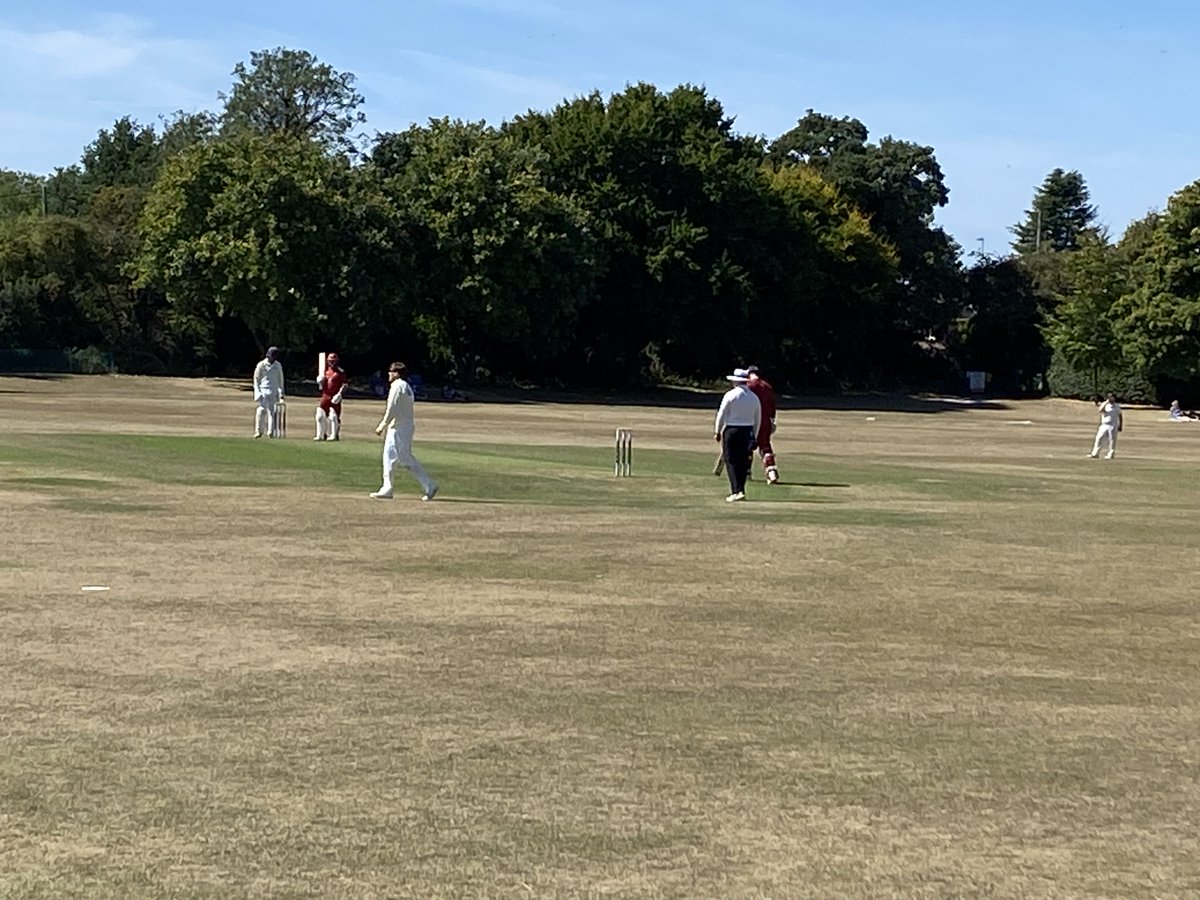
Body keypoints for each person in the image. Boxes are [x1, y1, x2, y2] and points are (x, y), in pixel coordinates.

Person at [370, 361, 439, 501]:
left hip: (400, 427)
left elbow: (392, 408)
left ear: (397, 373)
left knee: (405, 458)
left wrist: (382, 425)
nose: (389, 374)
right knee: (388, 456)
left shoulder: (398, 386)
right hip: (400, 426)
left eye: (391, 371)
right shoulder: (405, 386)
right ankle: (387, 487)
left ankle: (429, 484)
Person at [713, 367, 762, 502]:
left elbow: (721, 414)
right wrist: (755, 435)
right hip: (747, 431)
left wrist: (717, 431)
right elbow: (758, 419)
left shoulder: (730, 395)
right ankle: (741, 489)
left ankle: (736, 491)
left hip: (732, 431)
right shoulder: (754, 398)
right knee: (743, 462)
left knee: (731, 461)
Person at [745, 365, 780, 484]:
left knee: (747, 446)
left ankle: (746, 472)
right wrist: (772, 419)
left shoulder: (748, 386)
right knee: (765, 447)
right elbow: (772, 406)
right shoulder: (767, 386)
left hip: (751, 420)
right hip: (765, 421)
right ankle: (771, 472)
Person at [252, 346, 285, 438]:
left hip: (273, 391)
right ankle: (259, 431)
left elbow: (280, 379)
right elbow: (256, 379)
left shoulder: (278, 365)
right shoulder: (261, 365)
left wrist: (281, 393)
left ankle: (271, 431)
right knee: (261, 411)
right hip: (263, 391)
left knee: (272, 412)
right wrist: (257, 392)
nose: (273, 359)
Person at [314, 351, 348, 441]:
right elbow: (321, 386)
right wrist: (320, 381)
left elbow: (345, 385)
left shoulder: (340, 372)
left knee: (333, 416)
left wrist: (340, 394)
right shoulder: (325, 371)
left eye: (334, 361)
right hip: (325, 395)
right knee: (320, 415)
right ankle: (320, 434)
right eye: (330, 361)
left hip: (335, 396)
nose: (332, 363)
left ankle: (334, 435)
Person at [1088, 392, 1123, 459]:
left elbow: (1120, 416)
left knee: (1112, 440)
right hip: (1104, 424)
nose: (1111, 398)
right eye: (1109, 397)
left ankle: (1110, 454)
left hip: (1113, 425)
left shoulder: (1117, 406)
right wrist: (1106, 402)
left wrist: (1120, 425)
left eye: (1112, 397)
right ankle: (1095, 453)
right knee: (1099, 438)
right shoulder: (1105, 405)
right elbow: (1100, 410)